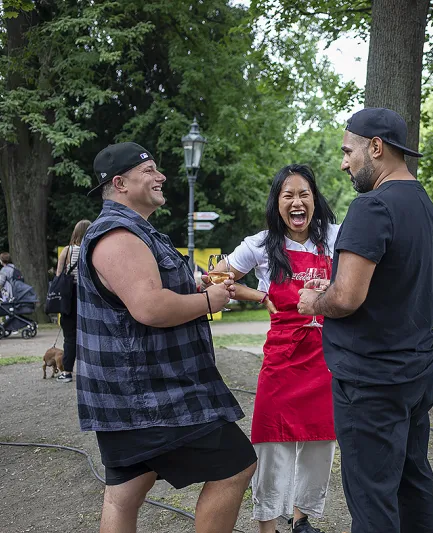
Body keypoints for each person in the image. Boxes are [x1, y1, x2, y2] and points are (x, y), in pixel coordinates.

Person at [76, 142, 256, 533]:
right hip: (151, 396)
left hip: (132, 395)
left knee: (124, 492)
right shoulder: (118, 235)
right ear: (120, 183)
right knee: (237, 465)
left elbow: (147, 291)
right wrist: (209, 299)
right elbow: (149, 307)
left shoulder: (136, 231)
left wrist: (193, 284)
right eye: (150, 171)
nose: (161, 177)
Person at [298, 107, 433, 533]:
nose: (343, 162)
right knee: (412, 479)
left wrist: (313, 301)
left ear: (376, 148)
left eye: (348, 152)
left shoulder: (372, 205)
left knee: (371, 497)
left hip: (372, 380)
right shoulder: (425, 205)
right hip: (415, 371)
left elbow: (345, 297)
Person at [215, 164, 338, 533]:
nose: (297, 202)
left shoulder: (336, 236)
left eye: (304, 194)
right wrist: (257, 294)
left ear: (314, 199)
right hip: (282, 359)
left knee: (320, 442)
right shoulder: (260, 243)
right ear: (277, 202)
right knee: (272, 444)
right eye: (289, 195)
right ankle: (267, 525)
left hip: (326, 358)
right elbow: (216, 277)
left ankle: (302, 519)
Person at [54, 219, 92, 384]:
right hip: (87, 296)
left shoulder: (67, 251)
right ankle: (90, 371)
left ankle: (67, 372)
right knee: (89, 334)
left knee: (70, 336)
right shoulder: (91, 249)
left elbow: (58, 275)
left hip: (68, 297)